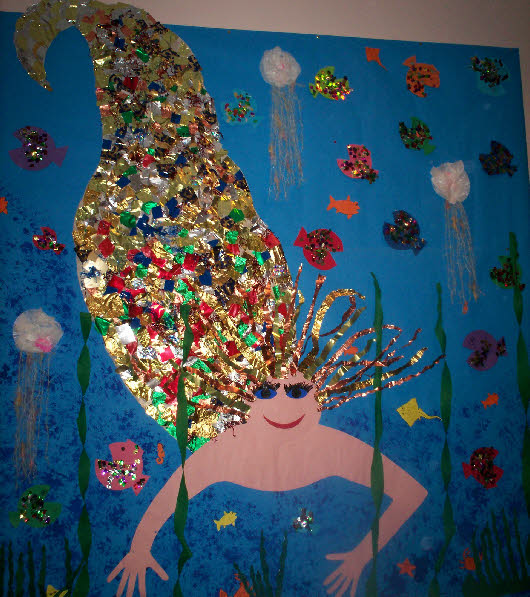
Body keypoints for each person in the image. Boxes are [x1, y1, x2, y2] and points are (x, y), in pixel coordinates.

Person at [109, 368, 428, 597]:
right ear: (246, 400)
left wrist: (362, 555)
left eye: (297, 392)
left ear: (317, 396)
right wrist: (140, 548)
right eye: (265, 392)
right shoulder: (224, 449)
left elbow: (411, 493)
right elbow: (171, 495)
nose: (283, 406)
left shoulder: (333, 448)